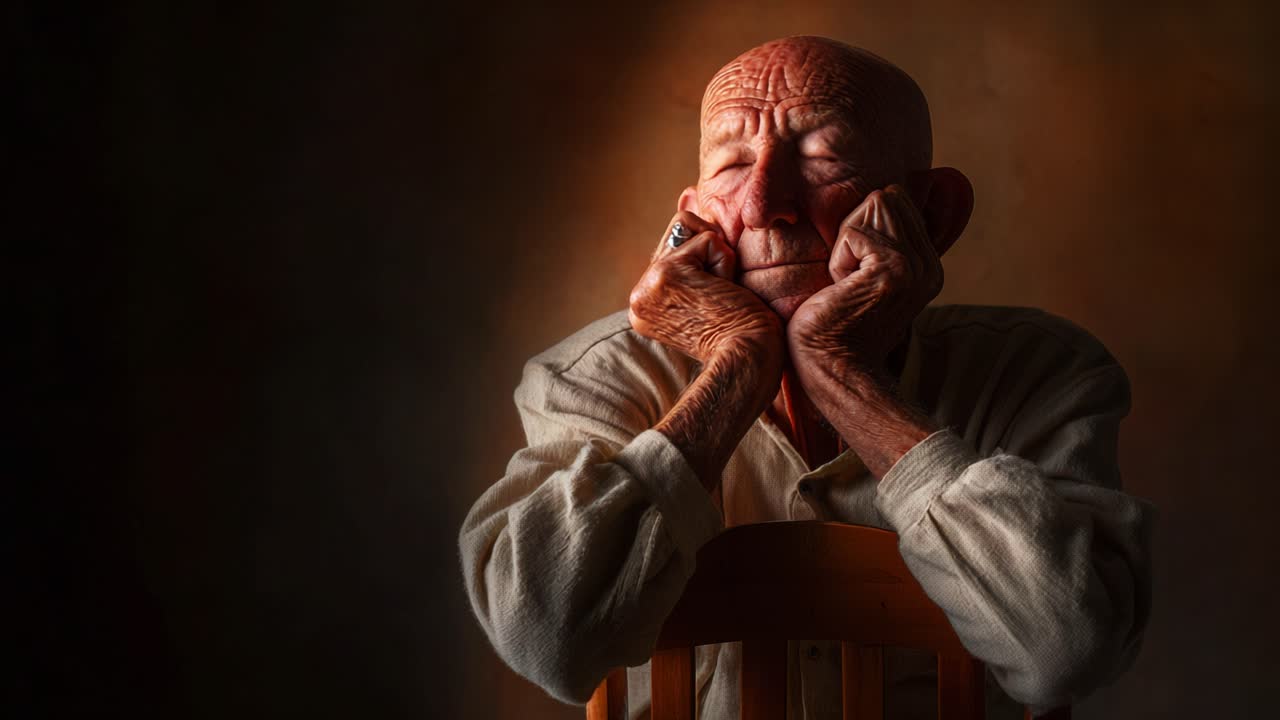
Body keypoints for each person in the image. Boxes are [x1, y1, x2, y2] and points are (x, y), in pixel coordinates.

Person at [459, 36, 1153, 719]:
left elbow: (1068, 649)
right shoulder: (587, 380)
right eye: (731, 164)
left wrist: (840, 372)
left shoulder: (1040, 374)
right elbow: (546, 639)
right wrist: (736, 368)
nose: (765, 204)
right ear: (693, 218)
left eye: (823, 155)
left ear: (932, 213)